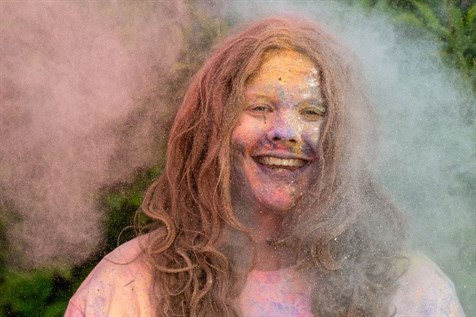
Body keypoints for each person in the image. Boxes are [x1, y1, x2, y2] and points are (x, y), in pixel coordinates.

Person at [65, 16, 465, 317]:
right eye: (260, 107)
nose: (285, 132)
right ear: (212, 129)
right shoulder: (128, 287)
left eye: (312, 111)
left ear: (347, 137)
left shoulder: (412, 292)